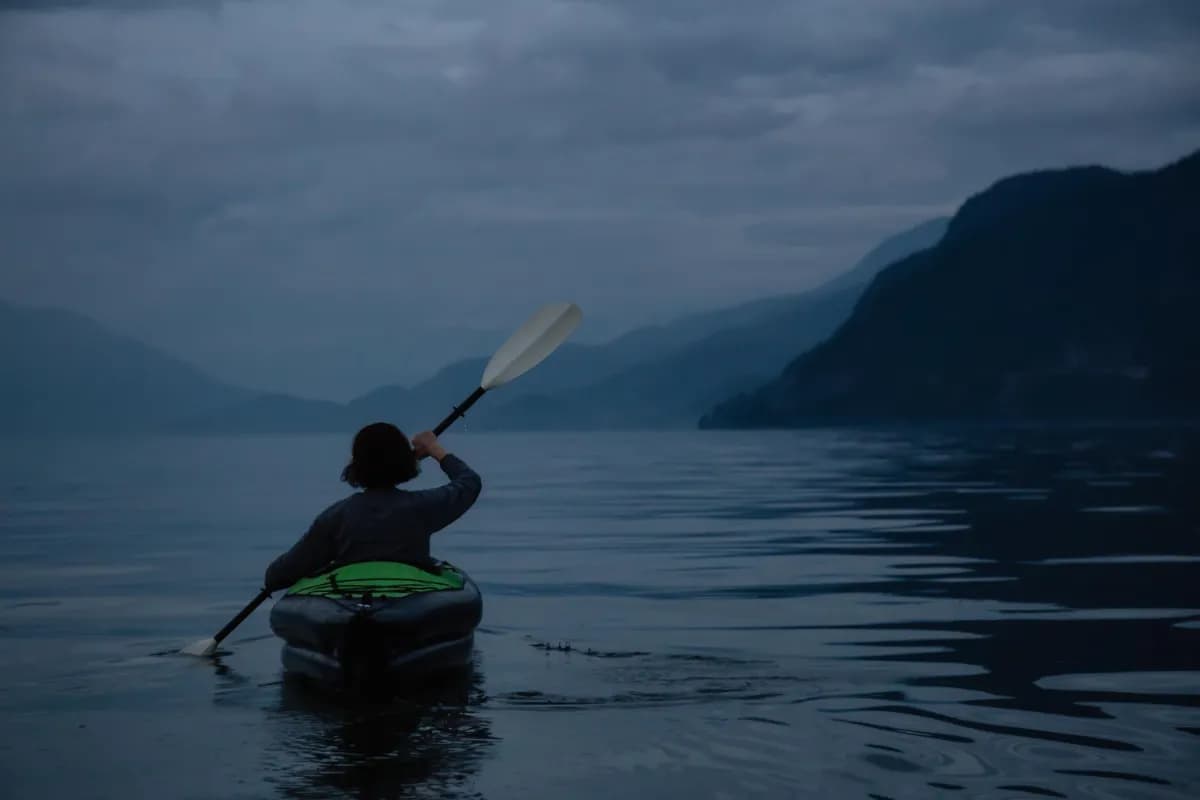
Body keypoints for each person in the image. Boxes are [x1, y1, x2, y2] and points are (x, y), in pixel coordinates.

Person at [263, 422, 482, 592]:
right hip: (411, 602)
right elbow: (469, 482)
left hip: (347, 604)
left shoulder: (335, 517)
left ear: (355, 466)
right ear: (406, 463)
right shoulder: (422, 507)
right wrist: (435, 449)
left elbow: (278, 575)